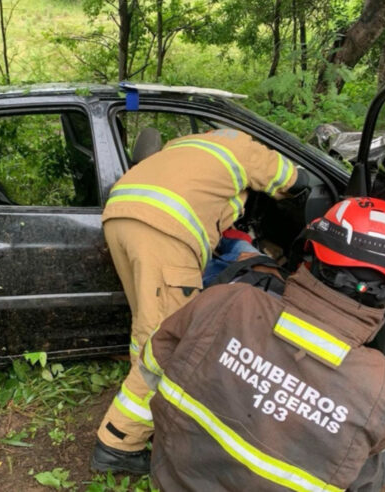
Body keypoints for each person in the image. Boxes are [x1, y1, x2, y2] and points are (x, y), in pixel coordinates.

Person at [139, 197, 385, 491]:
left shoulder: (228, 301)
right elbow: (367, 468)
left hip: (174, 480)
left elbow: (152, 363)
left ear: (308, 254)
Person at [91, 129, 311, 473]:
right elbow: (292, 179)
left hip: (120, 218)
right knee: (168, 342)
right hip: (164, 230)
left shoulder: (184, 145)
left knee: (149, 329)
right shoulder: (242, 146)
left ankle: (148, 407)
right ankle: (118, 443)